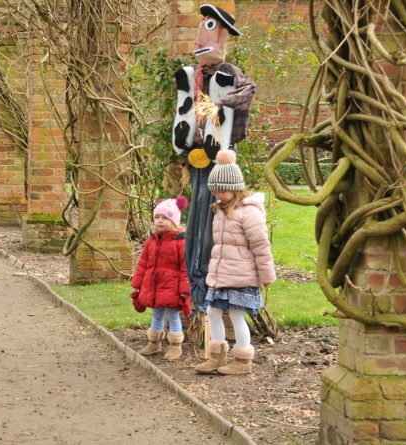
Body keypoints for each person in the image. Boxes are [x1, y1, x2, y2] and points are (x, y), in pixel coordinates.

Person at [171, 4, 256, 314]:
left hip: (217, 160)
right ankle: (196, 288)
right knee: (194, 219)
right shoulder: (193, 76)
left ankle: (208, 287)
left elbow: (248, 90)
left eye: (208, 32)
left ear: (223, 39)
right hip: (194, 159)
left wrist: (220, 104)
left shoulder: (228, 73)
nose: (198, 42)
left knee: (212, 220)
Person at [194, 150, 275, 375]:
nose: (218, 195)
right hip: (222, 275)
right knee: (213, 311)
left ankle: (242, 359)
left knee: (237, 314)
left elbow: (261, 246)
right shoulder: (220, 210)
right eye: (215, 191)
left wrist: (266, 275)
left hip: (240, 275)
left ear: (235, 187)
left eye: (222, 190)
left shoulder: (249, 213)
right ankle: (217, 356)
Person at [130, 197, 192, 360]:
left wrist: (185, 290)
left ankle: (175, 345)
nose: (160, 221)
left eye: (165, 218)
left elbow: (185, 268)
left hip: (172, 287)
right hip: (154, 285)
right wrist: (137, 284)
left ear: (175, 221)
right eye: (157, 217)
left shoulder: (180, 242)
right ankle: (154, 342)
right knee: (156, 314)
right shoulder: (151, 240)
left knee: (173, 315)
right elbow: (143, 263)